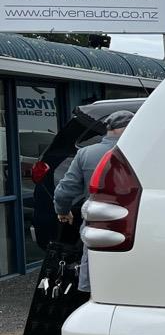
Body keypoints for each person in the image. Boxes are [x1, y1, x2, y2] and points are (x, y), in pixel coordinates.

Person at [53, 109, 134, 292]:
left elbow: (65, 191)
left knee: (94, 284)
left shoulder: (86, 154)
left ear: (107, 129)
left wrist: (63, 211)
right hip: (136, 228)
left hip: (98, 228)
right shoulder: (144, 152)